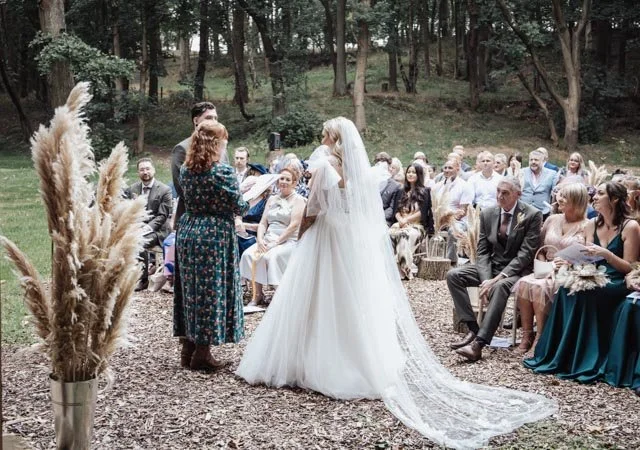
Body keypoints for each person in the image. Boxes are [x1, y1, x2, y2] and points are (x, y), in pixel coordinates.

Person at [237, 117, 556, 449]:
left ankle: (308, 360)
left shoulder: (323, 164)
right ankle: (357, 358)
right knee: (345, 298)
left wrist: (303, 236)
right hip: (345, 239)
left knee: (316, 295)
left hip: (324, 237)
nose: (321, 135)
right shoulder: (357, 170)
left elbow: (314, 209)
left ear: (332, 138)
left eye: (324, 132)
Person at [524, 181, 640, 386]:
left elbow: (630, 267)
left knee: (587, 293)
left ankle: (586, 358)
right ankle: (563, 356)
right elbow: (585, 258)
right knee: (567, 289)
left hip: (615, 281)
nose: (594, 197)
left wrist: (607, 254)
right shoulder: (591, 224)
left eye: (600, 194)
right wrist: (566, 261)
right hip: (591, 273)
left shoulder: (630, 227)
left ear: (614, 199)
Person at [176, 121, 249, 371]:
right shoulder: (223, 172)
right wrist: (249, 195)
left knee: (190, 291)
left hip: (188, 231)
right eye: (223, 141)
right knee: (211, 292)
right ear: (215, 144)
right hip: (213, 235)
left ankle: (188, 348)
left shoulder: (186, 170)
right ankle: (203, 353)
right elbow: (239, 205)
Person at [447, 177, 543, 362]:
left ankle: (478, 345)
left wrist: (497, 278)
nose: (500, 196)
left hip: (517, 271)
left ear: (518, 194)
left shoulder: (532, 215)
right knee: (454, 275)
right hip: (491, 267)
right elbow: (483, 251)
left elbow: (525, 254)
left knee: (500, 287)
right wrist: (486, 279)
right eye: (498, 191)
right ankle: (473, 329)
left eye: (505, 193)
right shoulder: (488, 213)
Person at [512, 183, 590, 356]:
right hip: (545, 267)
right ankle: (527, 335)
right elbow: (539, 247)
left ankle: (541, 337)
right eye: (559, 195)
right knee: (524, 283)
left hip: (570, 271)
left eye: (564, 196)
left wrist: (569, 264)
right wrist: (543, 265)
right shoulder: (552, 219)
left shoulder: (588, 225)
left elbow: (589, 254)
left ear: (576, 201)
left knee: (541, 288)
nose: (558, 199)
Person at [172, 101, 220, 342]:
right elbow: (185, 190)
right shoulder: (182, 149)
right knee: (192, 289)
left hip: (219, 222)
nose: (214, 121)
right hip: (194, 219)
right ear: (196, 120)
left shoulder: (221, 144)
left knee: (211, 289)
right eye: (209, 117)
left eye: (216, 117)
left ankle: (199, 343)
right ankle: (188, 342)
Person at [239, 167, 305, 305]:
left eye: (288, 179)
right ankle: (257, 295)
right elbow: (263, 223)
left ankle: (280, 295)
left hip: (288, 240)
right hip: (268, 237)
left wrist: (276, 242)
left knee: (272, 256)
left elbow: (294, 225)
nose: (284, 182)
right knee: (248, 254)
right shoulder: (272, 199)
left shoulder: (299, 200)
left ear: (294, 183)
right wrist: (261, 239)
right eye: (281, 178)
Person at [127, 158, 173, 291]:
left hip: (158, 230)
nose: (145, 172)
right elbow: (130, 211)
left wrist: (146, 228)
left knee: (139, 242)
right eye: (142, 170)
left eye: (147, 169)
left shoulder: (164, 190)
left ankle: (143, 280)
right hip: (137, 227)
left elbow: (162, 216)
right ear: (138, 172)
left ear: (153, 170)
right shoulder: (133, 188)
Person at [389, 163, 434, 279]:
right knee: (388, 234)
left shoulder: (425, 191)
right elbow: (396, 211)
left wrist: (406, 220)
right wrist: (400, 220)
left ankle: (404, 269)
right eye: (409, 172)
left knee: (403, 235)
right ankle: (390, 267)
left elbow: (422, 212)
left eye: (413, 172)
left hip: (416, 225)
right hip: (401, 223)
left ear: (418, 175)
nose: (410, 174)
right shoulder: (400, 191)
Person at [433, 158, 474, 265]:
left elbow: (463, 211)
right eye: (445, 167)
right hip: (438, 219)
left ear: (457, 168)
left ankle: (451, 261)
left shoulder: (465, 186)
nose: (446, 170)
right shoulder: (438, 186)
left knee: (453, 231)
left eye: (450, 168)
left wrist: (448, 218)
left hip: (457, 221)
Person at [521, 149, 557, 219]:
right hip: (523, 211)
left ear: (543, 161)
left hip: (543, 212)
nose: (533, 162)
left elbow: (555, 192)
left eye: (536, 160)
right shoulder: (522, 172)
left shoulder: (552, 174)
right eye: (531, 160)